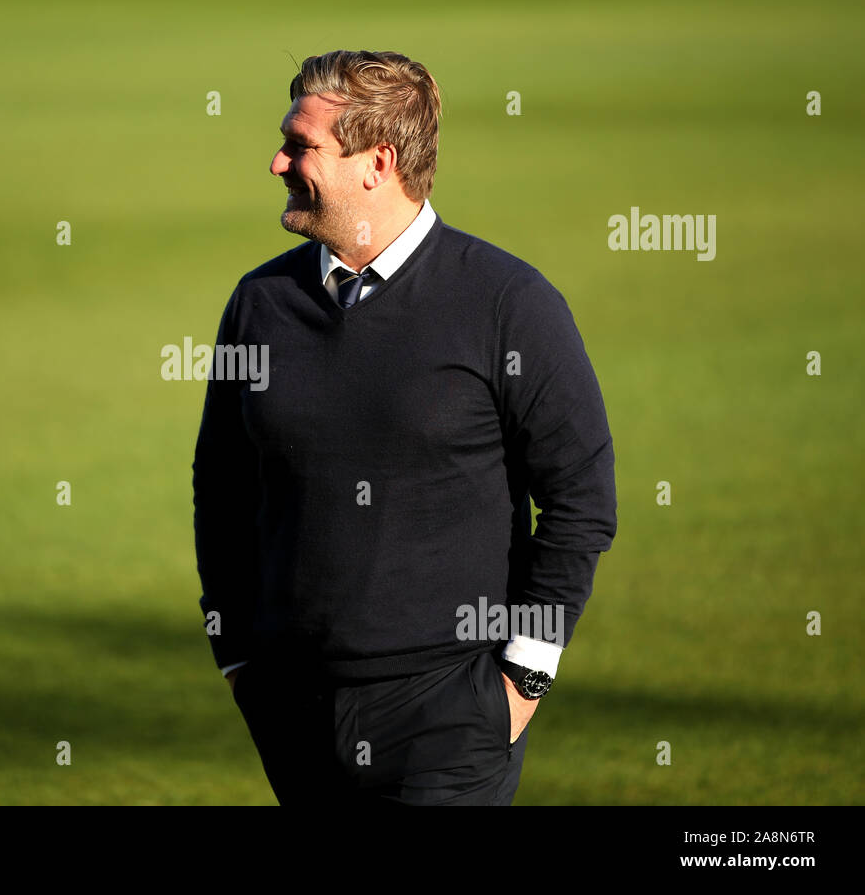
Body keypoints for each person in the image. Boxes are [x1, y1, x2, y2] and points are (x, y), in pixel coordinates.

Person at [192, 49, 618, 805]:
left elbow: (581, 499)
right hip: (292, 712)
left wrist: (522, 675)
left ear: (376, 161)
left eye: (301, 145)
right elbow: (221, 484)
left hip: (450, 718)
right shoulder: (258, 305)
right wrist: (237, 657)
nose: (277, 161)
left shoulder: (507, 303)